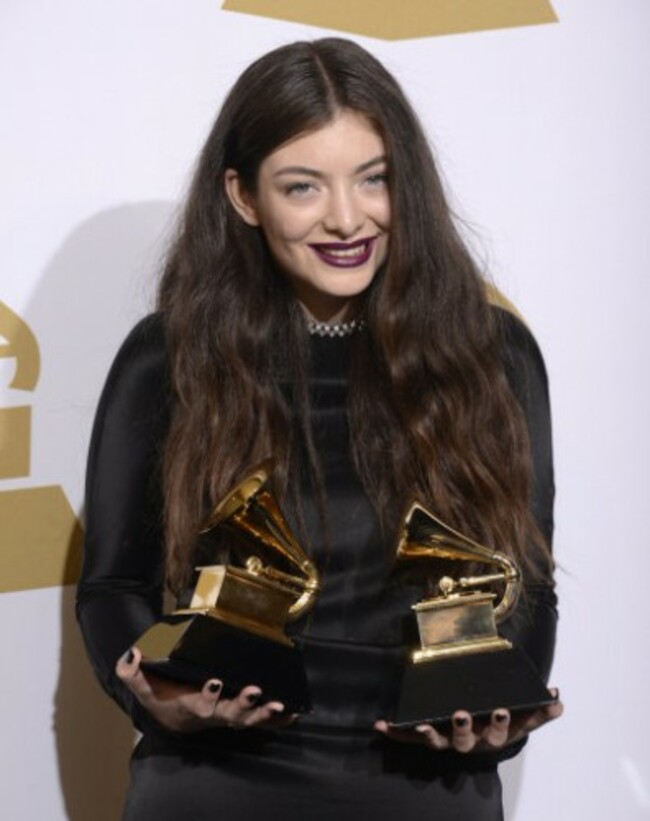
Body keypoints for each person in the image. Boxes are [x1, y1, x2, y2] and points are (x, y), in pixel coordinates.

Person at [77, 37, 562, 820]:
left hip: (422, 782)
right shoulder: (168, 356)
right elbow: (113, 587)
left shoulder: (493, 354)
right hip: (214, 777)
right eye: (303, 187)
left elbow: (529, 585)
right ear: (243, 197)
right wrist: (157, 699)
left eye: (375, 178)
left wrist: (494, 728)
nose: (347, 217)